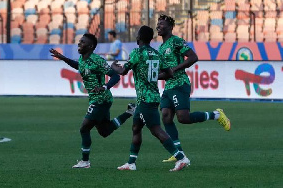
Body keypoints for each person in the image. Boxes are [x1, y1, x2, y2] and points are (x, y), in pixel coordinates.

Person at [49, 33, 135, 168]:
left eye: (82, 42)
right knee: (105, 131)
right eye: (79, 41)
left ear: (90, 46)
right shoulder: (83, 59)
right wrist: (62, 58)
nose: (79, 43)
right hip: (97, 99)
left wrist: (104, 87)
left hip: (101, 99)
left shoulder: (97, 61)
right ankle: (129, 112)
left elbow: (115, 77)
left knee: (84, 128)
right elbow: (79, 66)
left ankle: (85, 161)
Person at [111, 25, 190, 172]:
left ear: (139, 38)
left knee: (156, 130)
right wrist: (153, 77)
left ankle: (181, 158)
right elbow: (169, 73)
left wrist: (114, 67)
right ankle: (131, 163)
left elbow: (122, 71)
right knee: (136, 127)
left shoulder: (137, 52)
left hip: (146, 99)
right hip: (150, 97)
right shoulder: (155, 53)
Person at [156, 14, 231, 162]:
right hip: (169, 86)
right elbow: (166, 73)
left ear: (170, 27)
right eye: (157, 23)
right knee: (166, 116)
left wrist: (175, 69)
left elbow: (193, 57)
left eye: (162, 24)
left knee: (183, 118)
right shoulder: (161, 47)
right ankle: (179, 153)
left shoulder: (176, 41)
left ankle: (216, 115)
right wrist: (153, 77)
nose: (158, 26)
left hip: (180, 84)